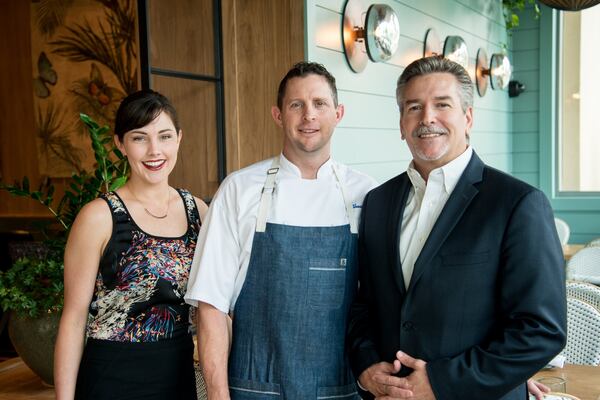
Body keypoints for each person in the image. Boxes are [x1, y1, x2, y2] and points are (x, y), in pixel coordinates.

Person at [346, 56, 567, 400]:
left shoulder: (517, 203)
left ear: (468, 117)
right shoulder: (378, 202)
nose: (427, 118)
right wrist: (367, 366)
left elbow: (541, 330)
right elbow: (363, 304)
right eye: (414, 107)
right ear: (401, 123)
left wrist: (441, 382)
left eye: (442, 105)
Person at [185, 61, 376, 399]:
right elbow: (211, 306)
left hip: (340, 391)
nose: (309, 116)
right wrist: (217, 394)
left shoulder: (366, 195)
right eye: (296, 105)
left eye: (319, 104)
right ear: (277, 115)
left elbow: (380, 305)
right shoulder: (239, 190)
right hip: (253, 389)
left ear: (339, 113)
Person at [54, 89, 208, 400]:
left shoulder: (199, 212)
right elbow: (73, 318)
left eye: (164, 136)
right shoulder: (99, 217)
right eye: (140, 138)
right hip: (111, 380)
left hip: (177, 378)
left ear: (179, 138)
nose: (155, 151)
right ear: (120, 144)